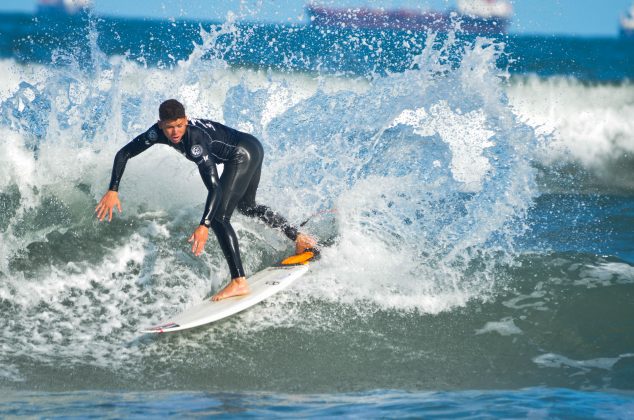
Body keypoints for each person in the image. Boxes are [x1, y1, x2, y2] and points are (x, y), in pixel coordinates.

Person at [95, 99, 316, 301]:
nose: (175, 132)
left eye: (180, 125)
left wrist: (204, 225)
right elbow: (124, 153)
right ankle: (299, 237)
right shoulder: (156, 133)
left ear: (186, 120)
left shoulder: (195, 142)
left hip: (243, 153)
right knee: (247, 206)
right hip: (252, 146)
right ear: (160, 124)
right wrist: (113, 189)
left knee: (219, 218)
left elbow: (215, 188)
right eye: (170, 126)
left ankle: (239, 281)